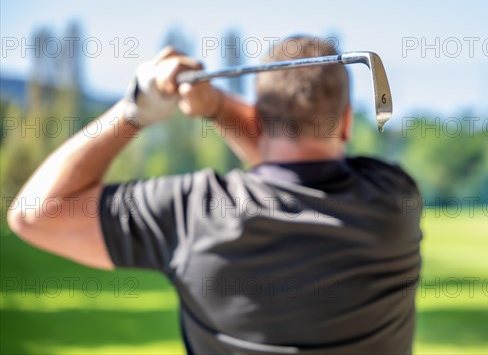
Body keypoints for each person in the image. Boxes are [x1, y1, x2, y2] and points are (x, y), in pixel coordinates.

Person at [8, 36, 422, 354]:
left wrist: (136, 109)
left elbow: (34, 214)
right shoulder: (394, 199)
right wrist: (219, 106)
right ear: (346, 122)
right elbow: (289, 155)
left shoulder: (194, 211)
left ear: (258, 118)